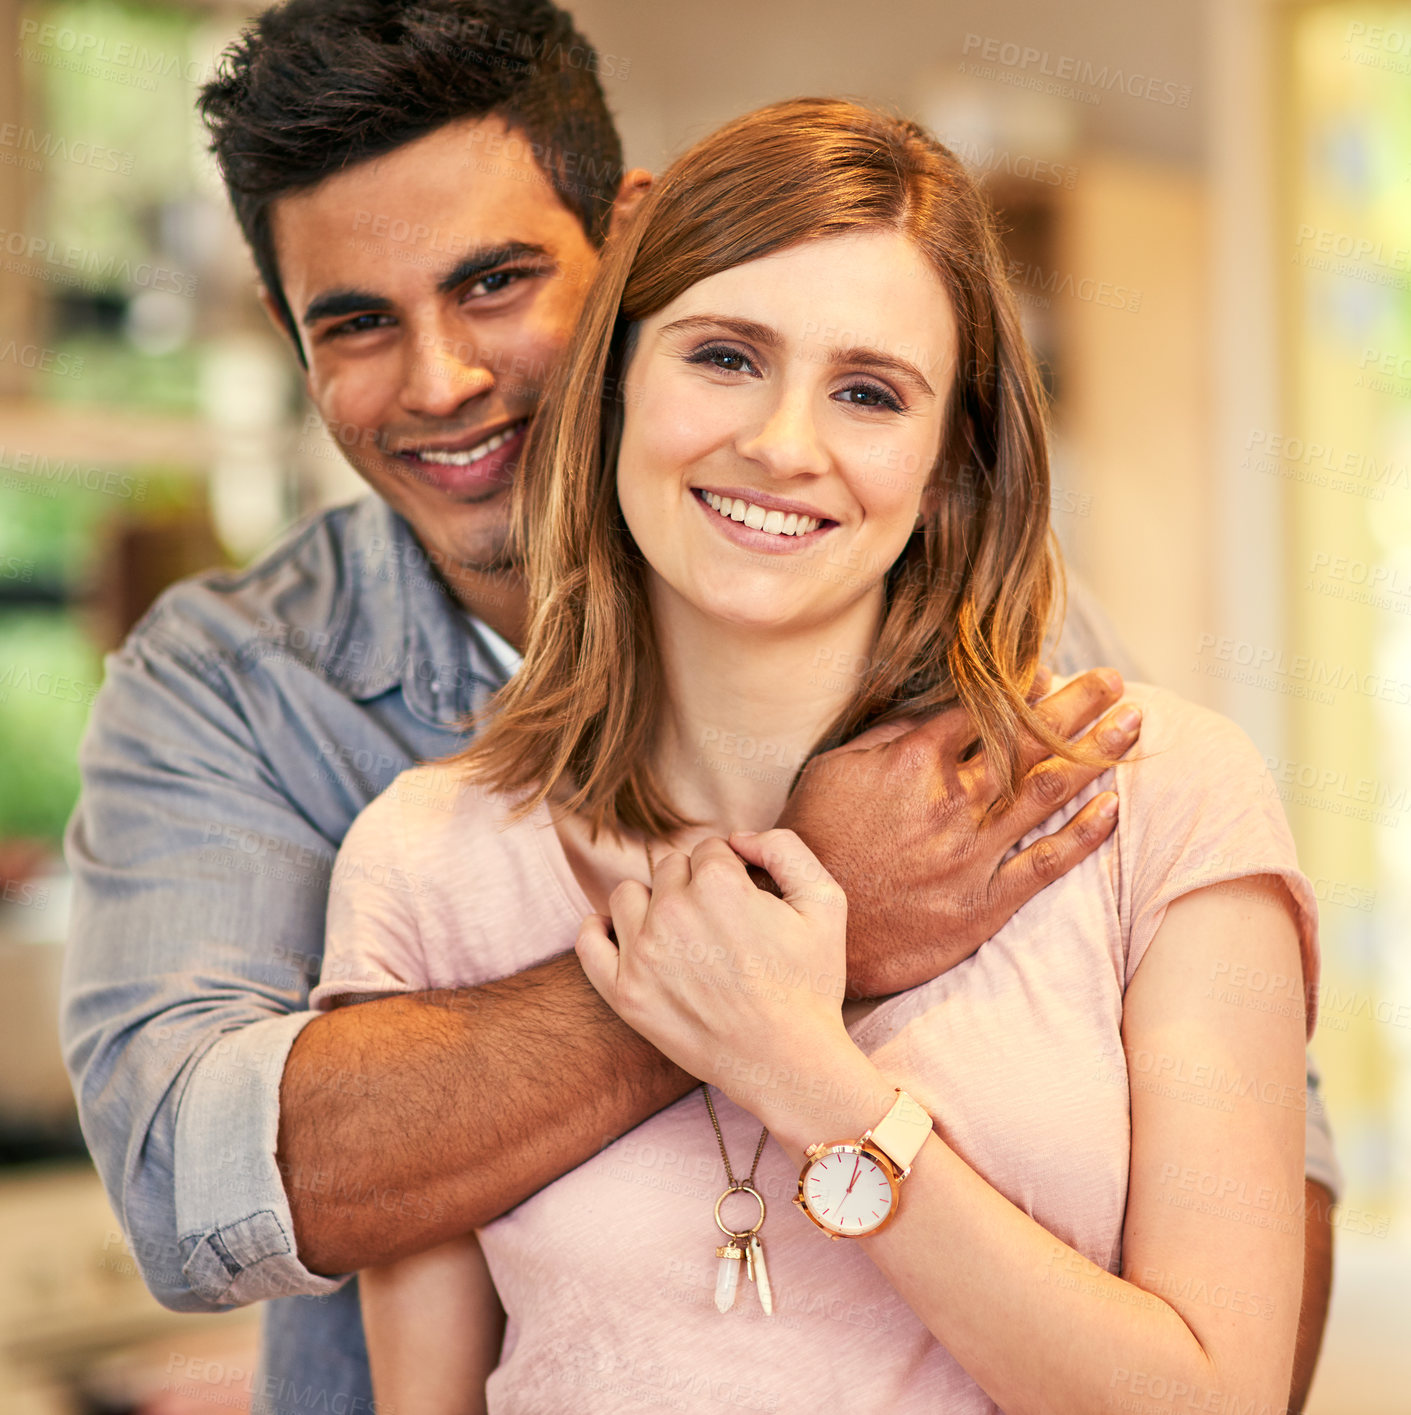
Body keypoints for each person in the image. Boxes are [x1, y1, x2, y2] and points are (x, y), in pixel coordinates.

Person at [55, 1, 1335, 1410]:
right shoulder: (296, 745)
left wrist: (810, 1075)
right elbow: (196, 1191)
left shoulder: (1092, 743)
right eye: (356, 323)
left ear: (627, 255)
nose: (442, 382)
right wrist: (786, 929)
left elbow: (1254, 1248)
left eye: (494, 284)